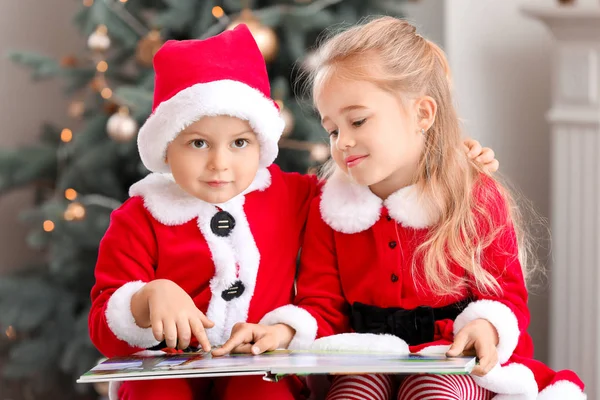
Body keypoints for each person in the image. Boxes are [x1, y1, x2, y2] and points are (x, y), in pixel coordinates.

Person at [214, 17, 585, 400]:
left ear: (422, 114)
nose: (342, 142)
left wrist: (486, 328)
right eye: (333, 129)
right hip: (364, 360)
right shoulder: (331, 209)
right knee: (353, 394)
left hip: (450, 358)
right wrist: (283, 331)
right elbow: (321, 304)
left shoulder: (473, 196)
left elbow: (504, 296)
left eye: (357, 120)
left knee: (434, 391)